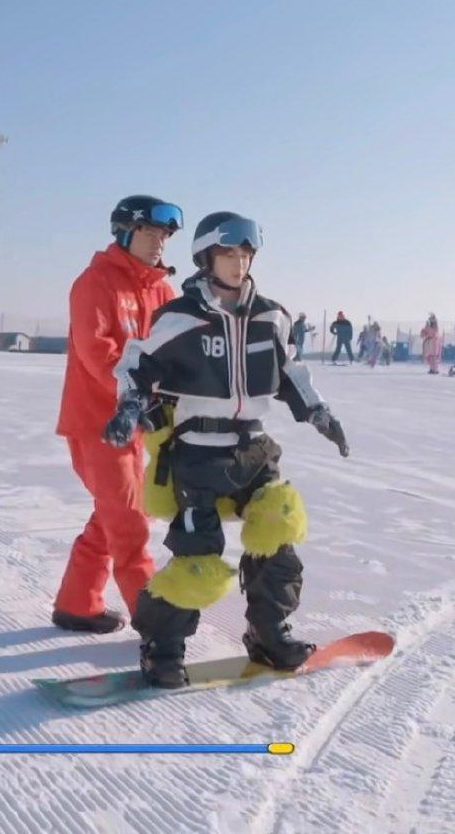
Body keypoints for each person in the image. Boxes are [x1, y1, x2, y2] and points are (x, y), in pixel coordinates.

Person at [104, 210, 348, 688]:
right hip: (198, 451)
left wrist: (319, 413)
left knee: (278, 534)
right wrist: (129, 408)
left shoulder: (271, 316)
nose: (238, 264)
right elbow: (138, 362)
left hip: (255, 447)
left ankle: (268, 632)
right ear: (205, 259)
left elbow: (293, 371)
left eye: (244, 254)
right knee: (198, 559)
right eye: (227, 255)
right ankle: (162, 648)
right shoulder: (181, 317)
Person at [53, 195, 183, 635]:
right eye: (151, 232)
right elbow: (98, 352)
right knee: (127, 521)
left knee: (117, 512)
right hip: (97, 423)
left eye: (164, 234)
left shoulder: (164, 290)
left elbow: (177, 352)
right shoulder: (94, 283)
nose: (159, 242)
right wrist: (140, 391)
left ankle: (77, 603)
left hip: (141, 423)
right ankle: (155, 623)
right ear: (126, 232)